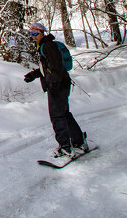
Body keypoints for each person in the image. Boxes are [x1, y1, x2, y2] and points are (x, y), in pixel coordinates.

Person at [23, 22, 88, 158]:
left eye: (35, 33)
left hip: (57, 86)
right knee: (64, 114)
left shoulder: (48, 46)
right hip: (61, 84)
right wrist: (34, 75)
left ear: (42, 33)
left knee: (57, 116)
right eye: (31, 34)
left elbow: (56, 67)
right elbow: (47, 68)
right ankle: (79, 142)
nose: (33, 36)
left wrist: (53, 84)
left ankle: (65, 147)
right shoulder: (44, 46)